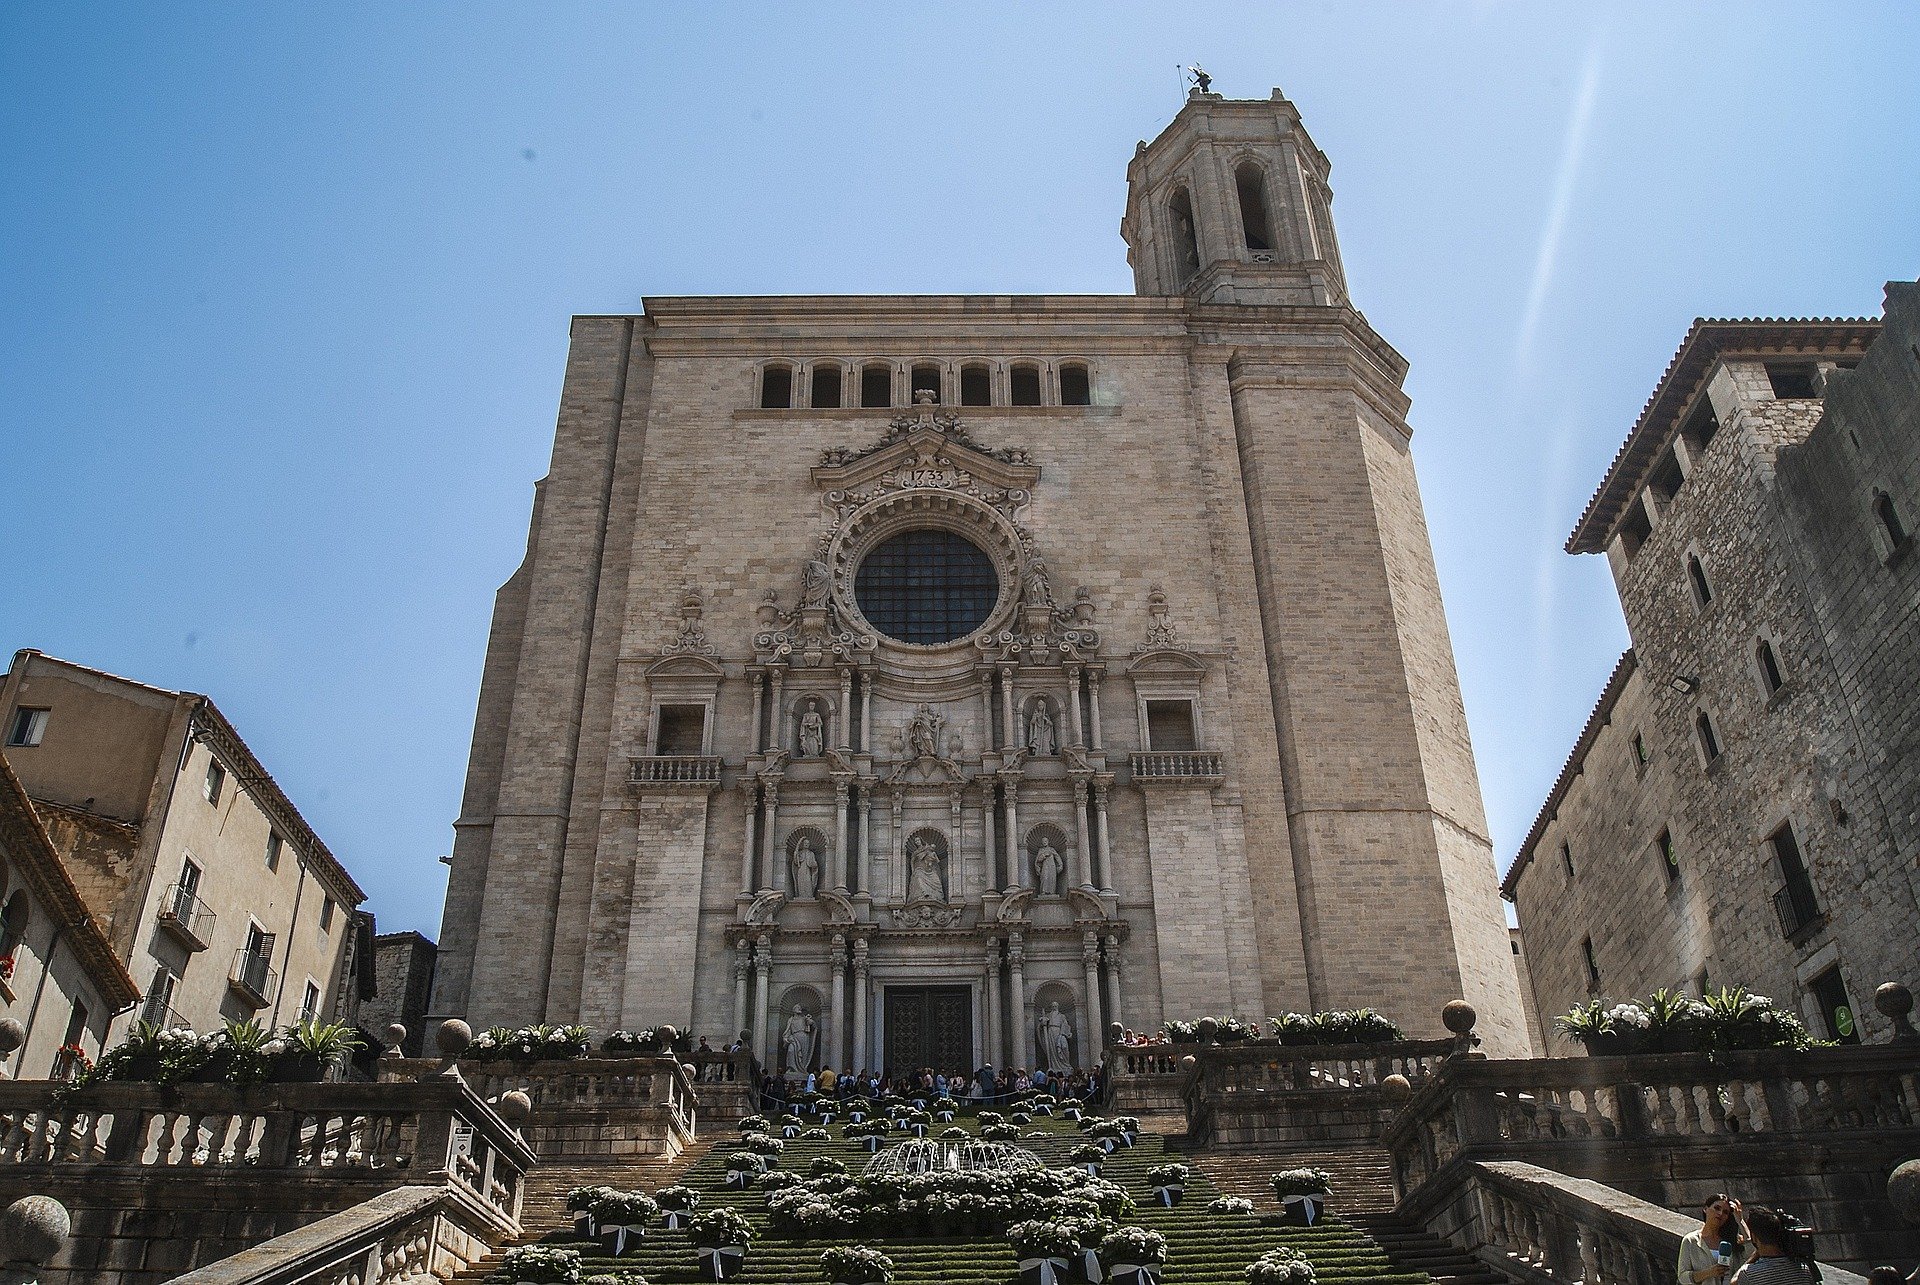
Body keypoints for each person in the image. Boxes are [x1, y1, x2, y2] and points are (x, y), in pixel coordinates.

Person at [1679, 1194, 1750, 1283]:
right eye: (1717, 1208)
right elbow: (1682, 1277)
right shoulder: (1691, 1240)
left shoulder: (1734, 1240)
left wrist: (1740, 1220)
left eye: (1725, 1212)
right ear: (1705, 1209)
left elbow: (1753, 1253)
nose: (1720, 1213)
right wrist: (1709, 1272)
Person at [1729, 1207, 1812, 1284]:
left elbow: (1733, 1282)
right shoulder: (1804, 1269)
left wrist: (1754, 1256)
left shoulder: (1749, 1274)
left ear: (1754, 1237)